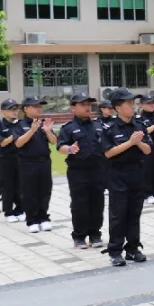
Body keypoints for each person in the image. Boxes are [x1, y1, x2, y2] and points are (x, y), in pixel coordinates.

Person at [101, 88, 152, 267]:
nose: (133, 106)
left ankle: (132, 248)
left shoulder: (139, 125)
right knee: (118, 214)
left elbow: (148, 149)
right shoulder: (109, 128)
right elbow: (108, 153)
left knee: (134, 212)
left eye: (133, 103)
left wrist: (138, 144)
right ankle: (115, 250)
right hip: (118, 174)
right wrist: (130, 143)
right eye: (128, 103)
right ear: (117, 107)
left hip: (137, 172)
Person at [56, 94, 105, 248]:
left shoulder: (98, 125)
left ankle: (95, 235)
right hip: (78, 171)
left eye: (88, 104)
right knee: (80, 204)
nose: (87, 107)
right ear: (73, 107)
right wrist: (70, 149)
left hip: (97, 169)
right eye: (82, 104)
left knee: (97, 203)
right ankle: (79, 236)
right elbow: (60, 146)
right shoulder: (68, 127)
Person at [14, 97, 55, 233]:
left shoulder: (44, 123)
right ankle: (32, 219)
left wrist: (48, 131)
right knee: (30, 192)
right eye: (35, 106)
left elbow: (54, 141)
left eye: (40, 106)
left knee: (45, 190)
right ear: (26, 109)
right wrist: (31, 130)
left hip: (44, 161)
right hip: (28, 162)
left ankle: (44, 217)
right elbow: (18, 143)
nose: (39, 108)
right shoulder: (20, 124)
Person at [0, 100, 23, 223]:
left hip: (20, 157)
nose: (15, 112)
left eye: (16, 109)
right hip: (6, 159)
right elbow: (2, 142)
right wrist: (15, 135)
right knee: (7, 186)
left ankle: (20, 209)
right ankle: (8, 211)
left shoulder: (20, 124)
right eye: (11, 109)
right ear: (3, 111)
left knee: (20, 185)